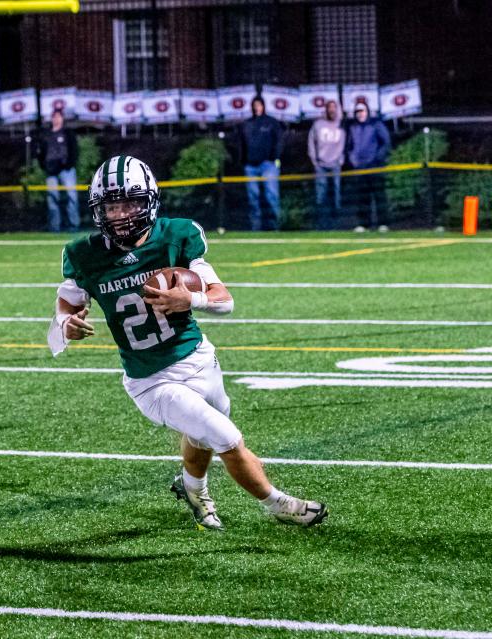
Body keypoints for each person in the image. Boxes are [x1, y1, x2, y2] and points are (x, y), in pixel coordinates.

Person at [48, 155, 328, 530]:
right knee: (224, 435)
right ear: (99, 210)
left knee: (203, 434)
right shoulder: (84, 254)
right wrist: (67, 324)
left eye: (130, 203)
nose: (122, 215)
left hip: (198, 358)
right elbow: (65, 307)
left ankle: (193, 489)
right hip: (151, 380)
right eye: (112, 206)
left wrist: (190, 300)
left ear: (149, 200)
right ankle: (279, 504)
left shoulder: (177, 235)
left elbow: (224, 301)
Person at [345, 102, 392, 232]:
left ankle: (383, 223)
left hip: (375, 167)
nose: (360, 113)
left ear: (367, 111)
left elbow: (385, 142)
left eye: (362, 111)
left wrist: (377, 158)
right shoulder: (353, 127)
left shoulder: (376, 124)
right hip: (359, 169)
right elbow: (349, 147)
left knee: (379, 196)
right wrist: (353, 160)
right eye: (358, 111)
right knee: (362, 197)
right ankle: (363, 224)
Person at [239, 96, 283, 231]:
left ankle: (276, 227)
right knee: (253, 198)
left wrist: (274, 157)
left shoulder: (272, 123)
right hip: (250, 166)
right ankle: (255, 229)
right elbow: (241, 144)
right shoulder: (246, 124)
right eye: (254, 105)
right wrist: (243, 161)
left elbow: (279, 141)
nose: (256, 108)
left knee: (272, 196)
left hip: (268, 165)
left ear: (263, 106)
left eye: (259, 105)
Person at [36, 109, 80, 233]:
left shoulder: (67, 133)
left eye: (58, 116)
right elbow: (40, 153)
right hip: (51, 171)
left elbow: (75, 150)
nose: (56, 119)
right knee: (52, 199)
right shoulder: (46, 134)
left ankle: (74, 226)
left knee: (72, 197)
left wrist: (69, 164)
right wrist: (44, 166)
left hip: (67, 170)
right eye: (54, 116)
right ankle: (55, 227)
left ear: (62, 118)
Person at [308, 101, 345, 230]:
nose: (332, 110)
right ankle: (322, 222)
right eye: (330, 108)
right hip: (321, 164)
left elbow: (346, 142)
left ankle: (337, 221)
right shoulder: (318, 124)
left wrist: (341, 159)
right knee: (321, 193)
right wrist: (314, 159)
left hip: (335, 164)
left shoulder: (341, 125)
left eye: (334, 107)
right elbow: (311, 142)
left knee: (336, 191)